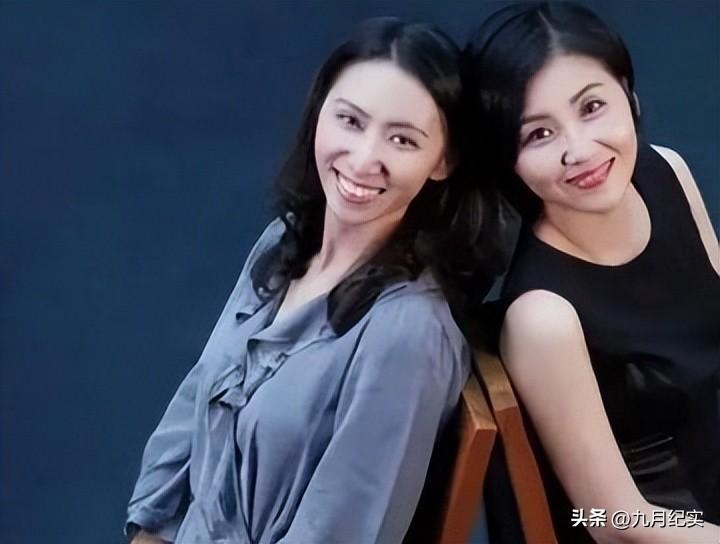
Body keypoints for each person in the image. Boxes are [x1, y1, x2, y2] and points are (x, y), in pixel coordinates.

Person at [125, 17, 503, 544]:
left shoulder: (408, 334)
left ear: (443, 161)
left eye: (402, 139)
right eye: (350, 121)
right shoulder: (282, 242)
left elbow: (339, 531)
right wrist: (148, 531)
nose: (364, 158)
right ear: (320, 112)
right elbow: (193, 406)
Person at [463, 2, 720, 543]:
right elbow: (613, 522)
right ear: (507, 160)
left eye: (592, 106)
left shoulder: (668, 171)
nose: (578, 150)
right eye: (539, 134)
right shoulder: (543, 317)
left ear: (629, 95)